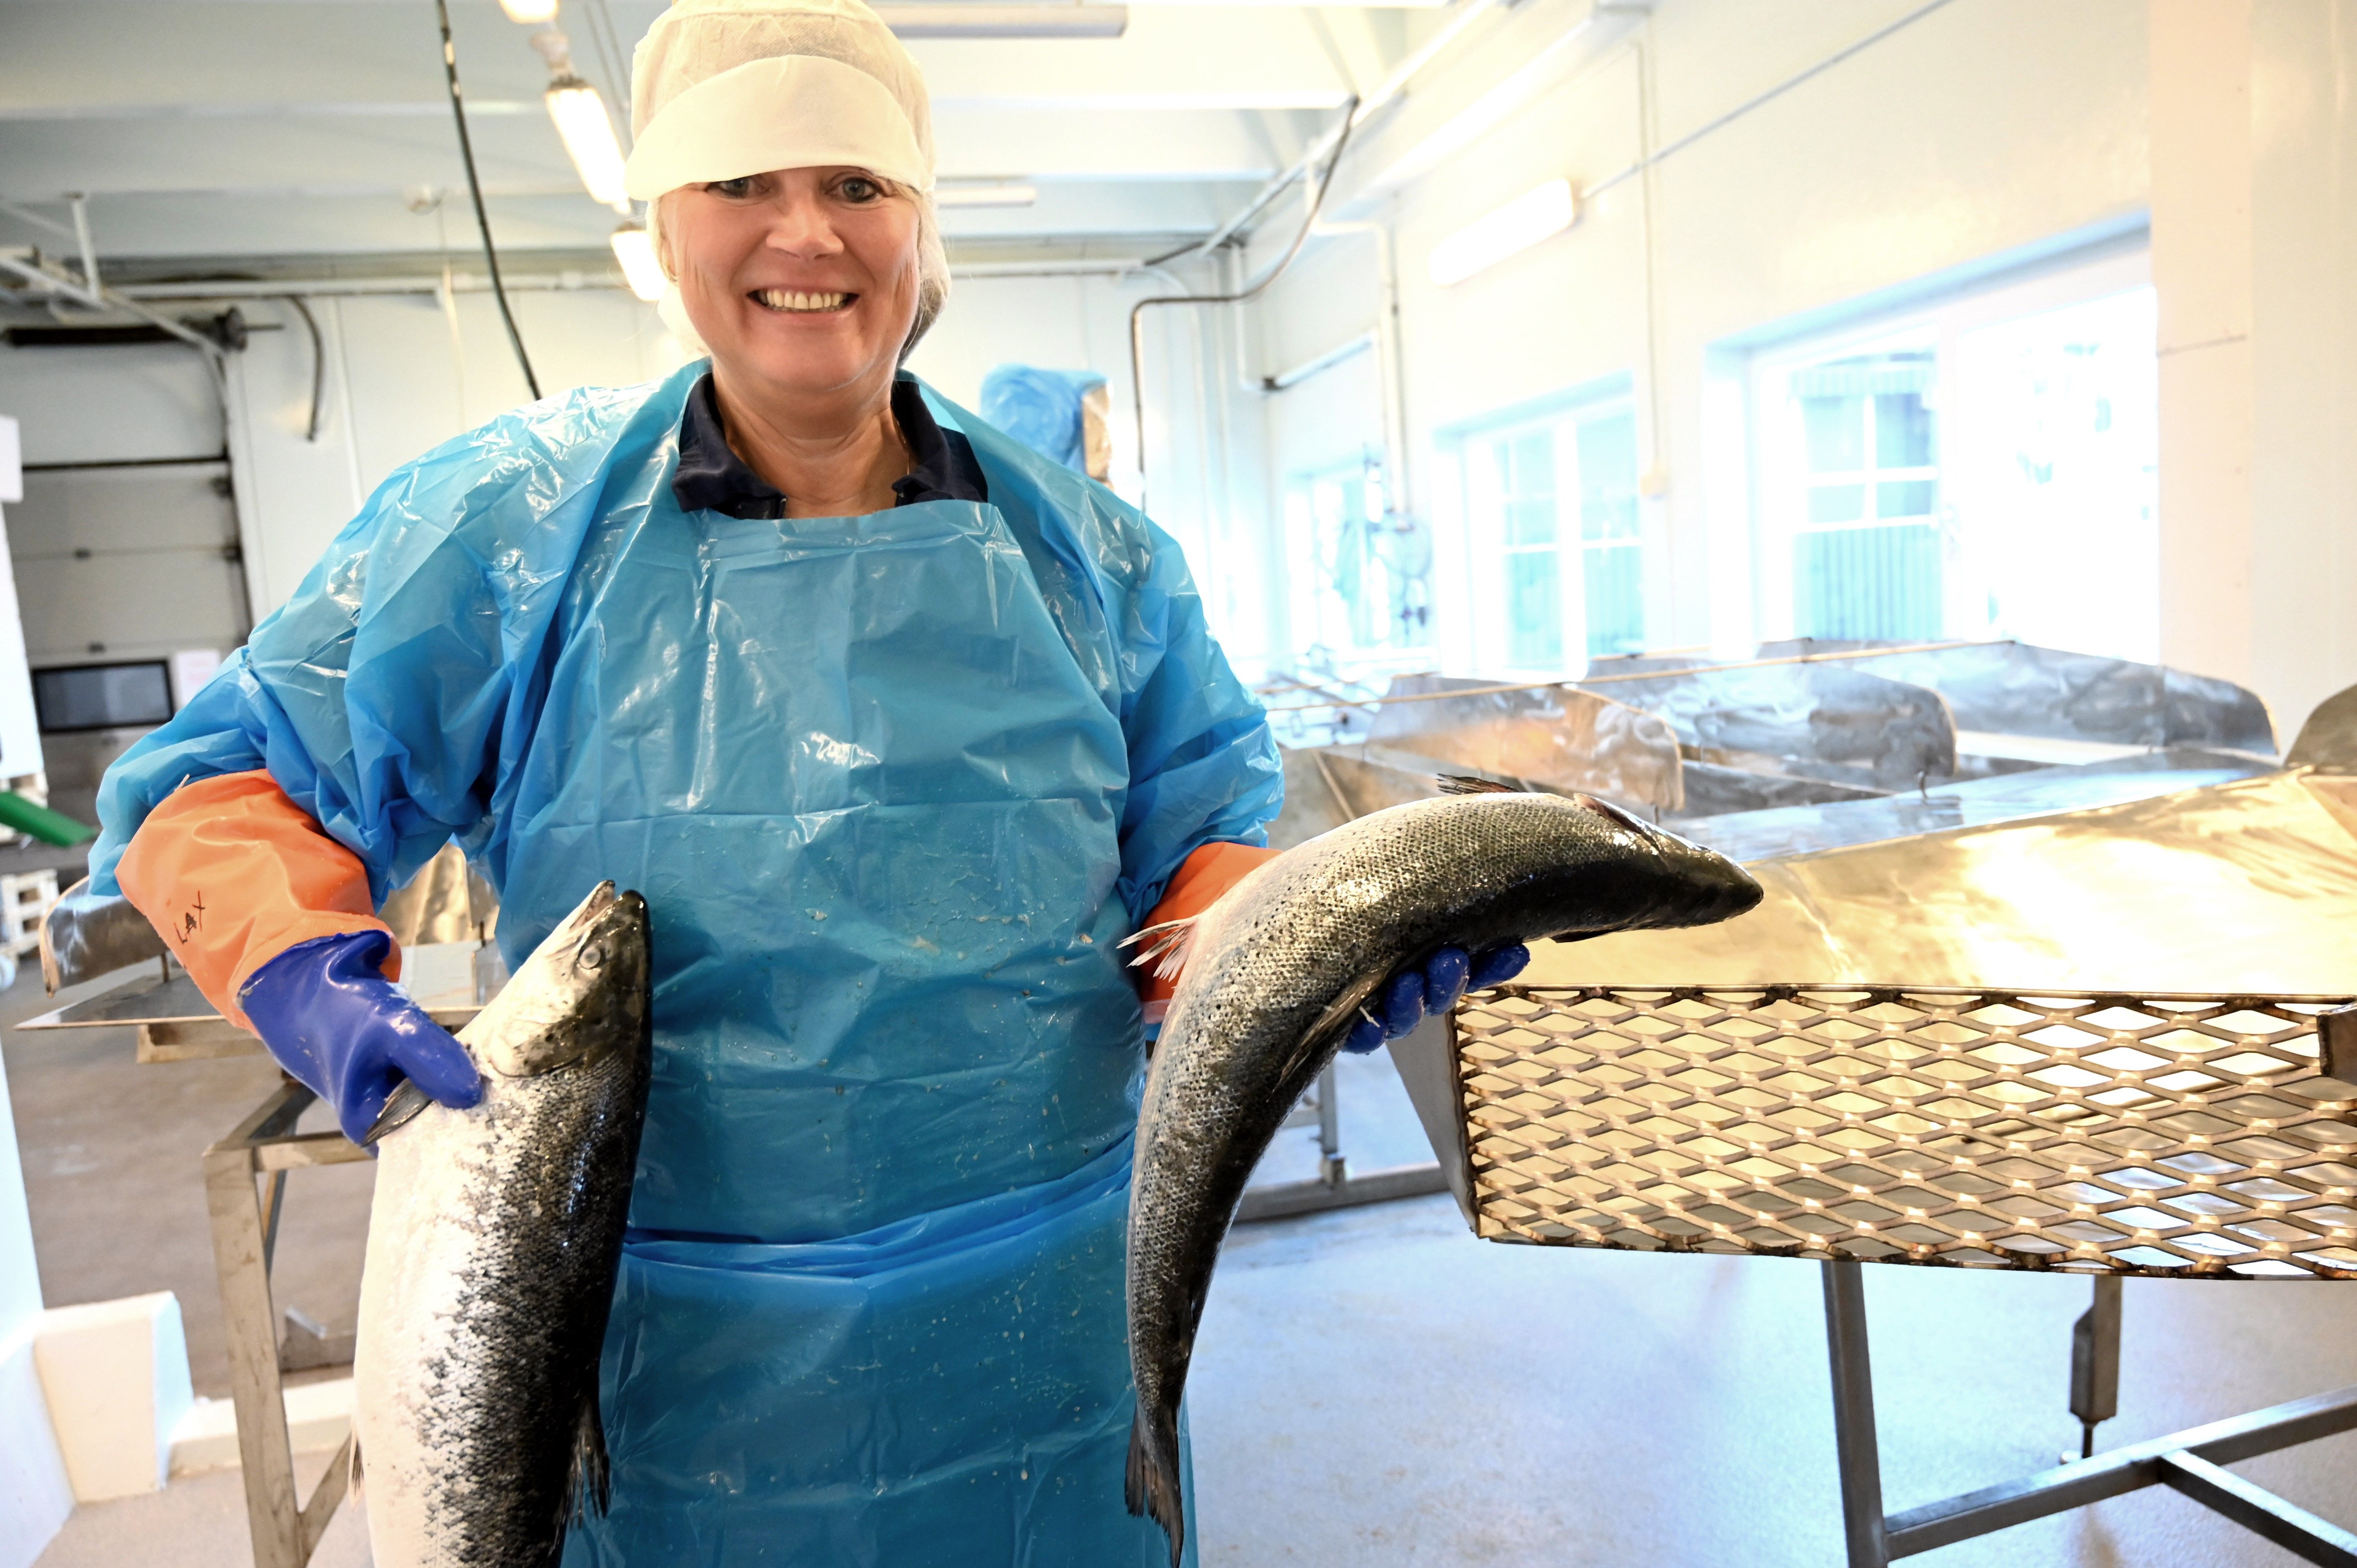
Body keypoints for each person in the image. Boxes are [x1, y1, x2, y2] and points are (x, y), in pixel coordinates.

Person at [88, 0, 1525, 1559]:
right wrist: (300, 969)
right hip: (655, 1365)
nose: (805, 234)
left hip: (1041, 1335)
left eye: (855, 184)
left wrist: (1291, 955)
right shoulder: (510, 530)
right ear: (666, 227)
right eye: (741, 184)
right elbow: (226, 783)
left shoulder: (1090, 554)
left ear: (919, 224)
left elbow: (1200, 847)